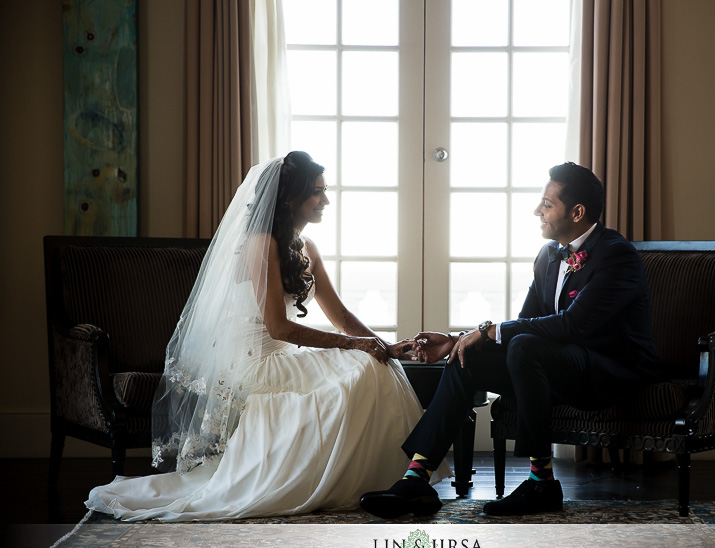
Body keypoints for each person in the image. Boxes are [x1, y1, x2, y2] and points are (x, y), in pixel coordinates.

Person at [85, 151, 449, 521]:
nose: (325, 200)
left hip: (280, 355)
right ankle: (349, 480)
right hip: (253, 363)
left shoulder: (306, 248)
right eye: (317, 193)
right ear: (291, 199)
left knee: (379, 364)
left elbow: (339, 315)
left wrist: (385, 346)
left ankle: (395, 482)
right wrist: (356, 345)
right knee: (364, 365)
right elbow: (279, 328)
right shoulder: (262, 245)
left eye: (325, 191)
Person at [359, 162, 659, 518]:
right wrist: (460, 339)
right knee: (467, 355)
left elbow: (571, 325)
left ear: (577, 212)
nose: (537, 211)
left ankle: (541, 483)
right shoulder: (549, 256)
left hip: (611, 371)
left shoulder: (616, 254)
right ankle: (416, 480)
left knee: (523, 344)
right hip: (560, 366)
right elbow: (525, 323)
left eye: (547, 204)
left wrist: (487, 331)